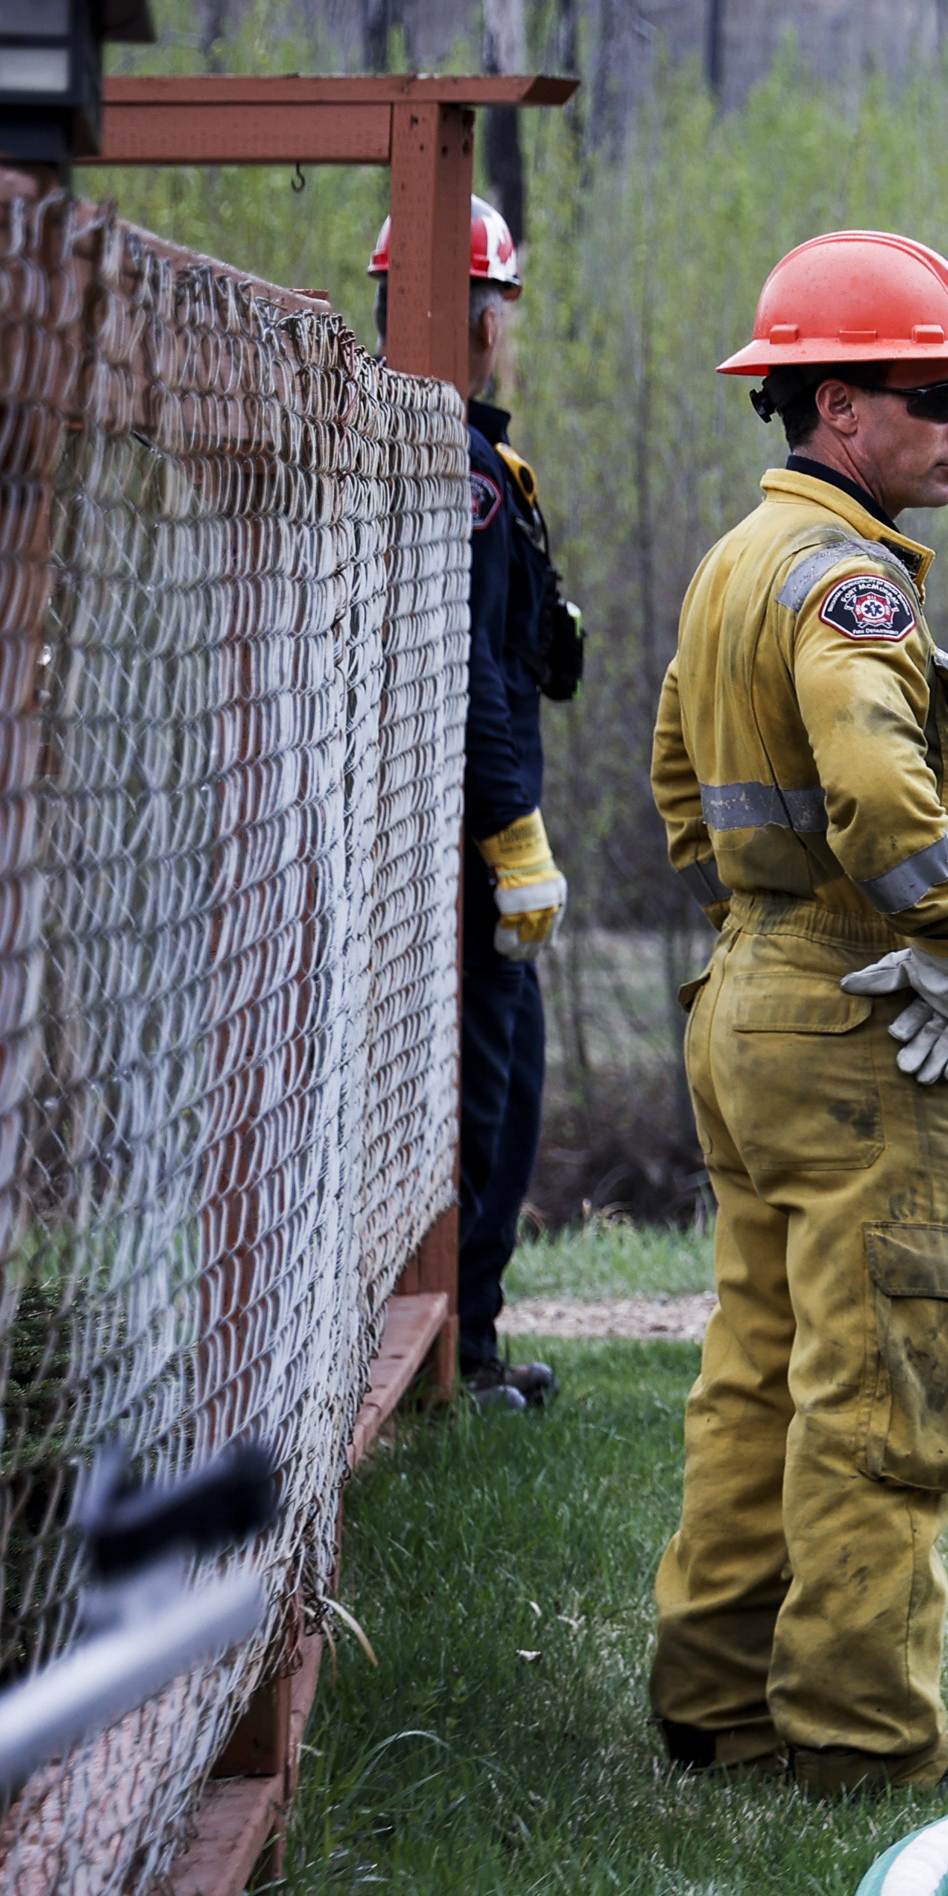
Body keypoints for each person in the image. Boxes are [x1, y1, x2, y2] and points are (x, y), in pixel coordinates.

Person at [643, 229, 948, 1798]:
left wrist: (764, 917)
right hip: (864, 1010)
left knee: (759, 1362)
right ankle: (867, 1741)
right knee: (888, 1371)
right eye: (933, 391)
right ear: (836, 405)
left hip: (749, 997)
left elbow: (684, 778)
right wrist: (943, 933)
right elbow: (882, 780)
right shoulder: (850, 582)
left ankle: (720, 1702)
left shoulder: (737, 561)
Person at [373, 197, 580, 1415]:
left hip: (429, 828)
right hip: (469, 836)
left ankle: (472, 1333)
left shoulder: (462, 456)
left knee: (493, 1077)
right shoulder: (458, 470)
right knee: (490, 1086)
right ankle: (471, 1346)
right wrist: (514, 840)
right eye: (493, 309)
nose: (498, 332)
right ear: (479, 318)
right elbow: (473, 677)